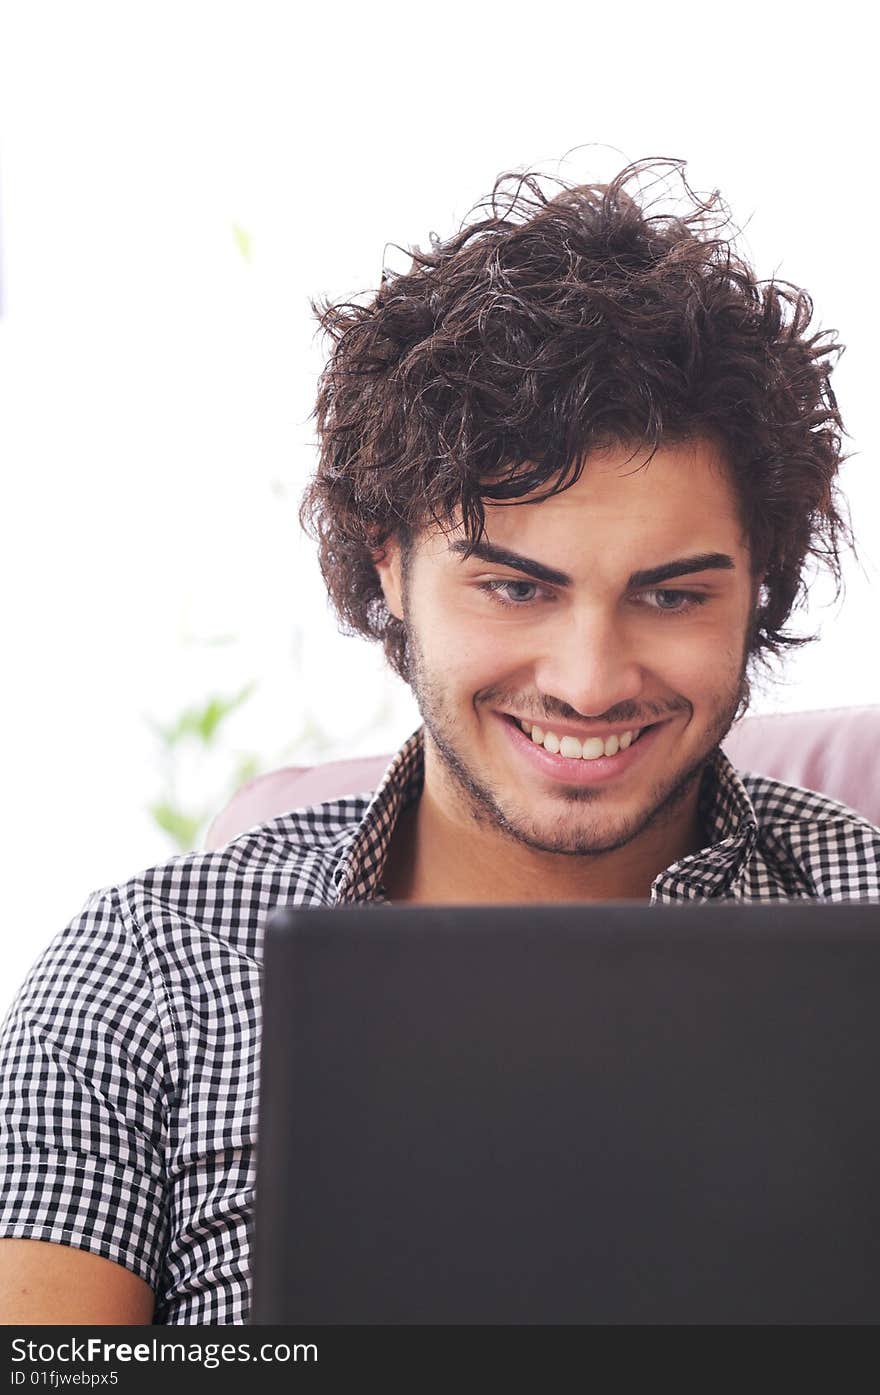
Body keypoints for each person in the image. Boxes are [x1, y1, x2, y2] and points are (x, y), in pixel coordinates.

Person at [1, 157, 878, 1325]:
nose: (587, 681)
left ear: (756, 587)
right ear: (386, 565)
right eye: (515, 590)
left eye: (672, 596)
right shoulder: (151, 971)